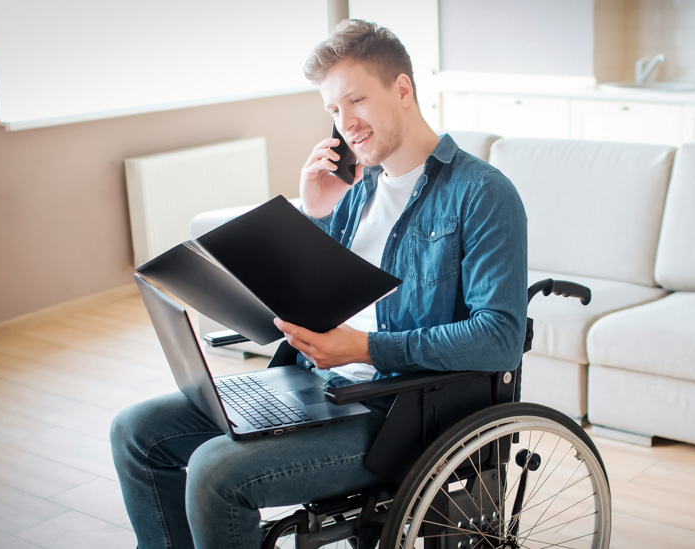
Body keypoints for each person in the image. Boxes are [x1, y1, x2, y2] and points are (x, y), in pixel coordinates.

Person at [109, 19, 528, 549]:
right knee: (136, 432)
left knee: (217, 472)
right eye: (333, 109)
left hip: (397, 411)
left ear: (402, 90)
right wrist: (313, 211)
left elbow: (500, 336)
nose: (345, 123)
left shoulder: (482, 193)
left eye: (356, 100)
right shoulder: (358, 191)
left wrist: (364, 348)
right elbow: (326, 293)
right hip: (316, 386)